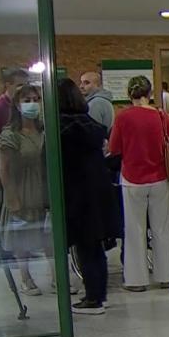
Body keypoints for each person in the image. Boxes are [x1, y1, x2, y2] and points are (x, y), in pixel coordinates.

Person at [108, 76, 169, 292]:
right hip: (158, 178)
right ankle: (166, 276)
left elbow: (114, 147)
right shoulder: (161, 115)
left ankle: (136, 280)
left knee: (134, 230)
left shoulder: (123, 117)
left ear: (129, 94)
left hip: (132, 178)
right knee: (161, 229)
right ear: (149, 93)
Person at [58, 78, 120, 314]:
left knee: (86, 248)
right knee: (95, 248)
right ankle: (98, 294)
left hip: (78, 196)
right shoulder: (90, 125)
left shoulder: (62, 130)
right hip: (99, 193)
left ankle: (93, 299)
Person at [0, 84, 48, 295]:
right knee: (22, 237)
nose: (32, 104)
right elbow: (4, 168)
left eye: (36, 99)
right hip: (21, 188)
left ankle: (56, 279)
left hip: (42, 187)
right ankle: (26, 278)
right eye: (27, 100)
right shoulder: (11, 134)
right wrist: (11, 195)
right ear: (17, 105)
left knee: (46, 236)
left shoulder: (45, 129)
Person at [0, 68, 29, 215]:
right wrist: (3, 157)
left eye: (26, 85)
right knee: (5, 200)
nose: (23, 89)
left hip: (19, 158)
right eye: (19, 85)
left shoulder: (20, 104)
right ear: (8, 85)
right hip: (3, 158)